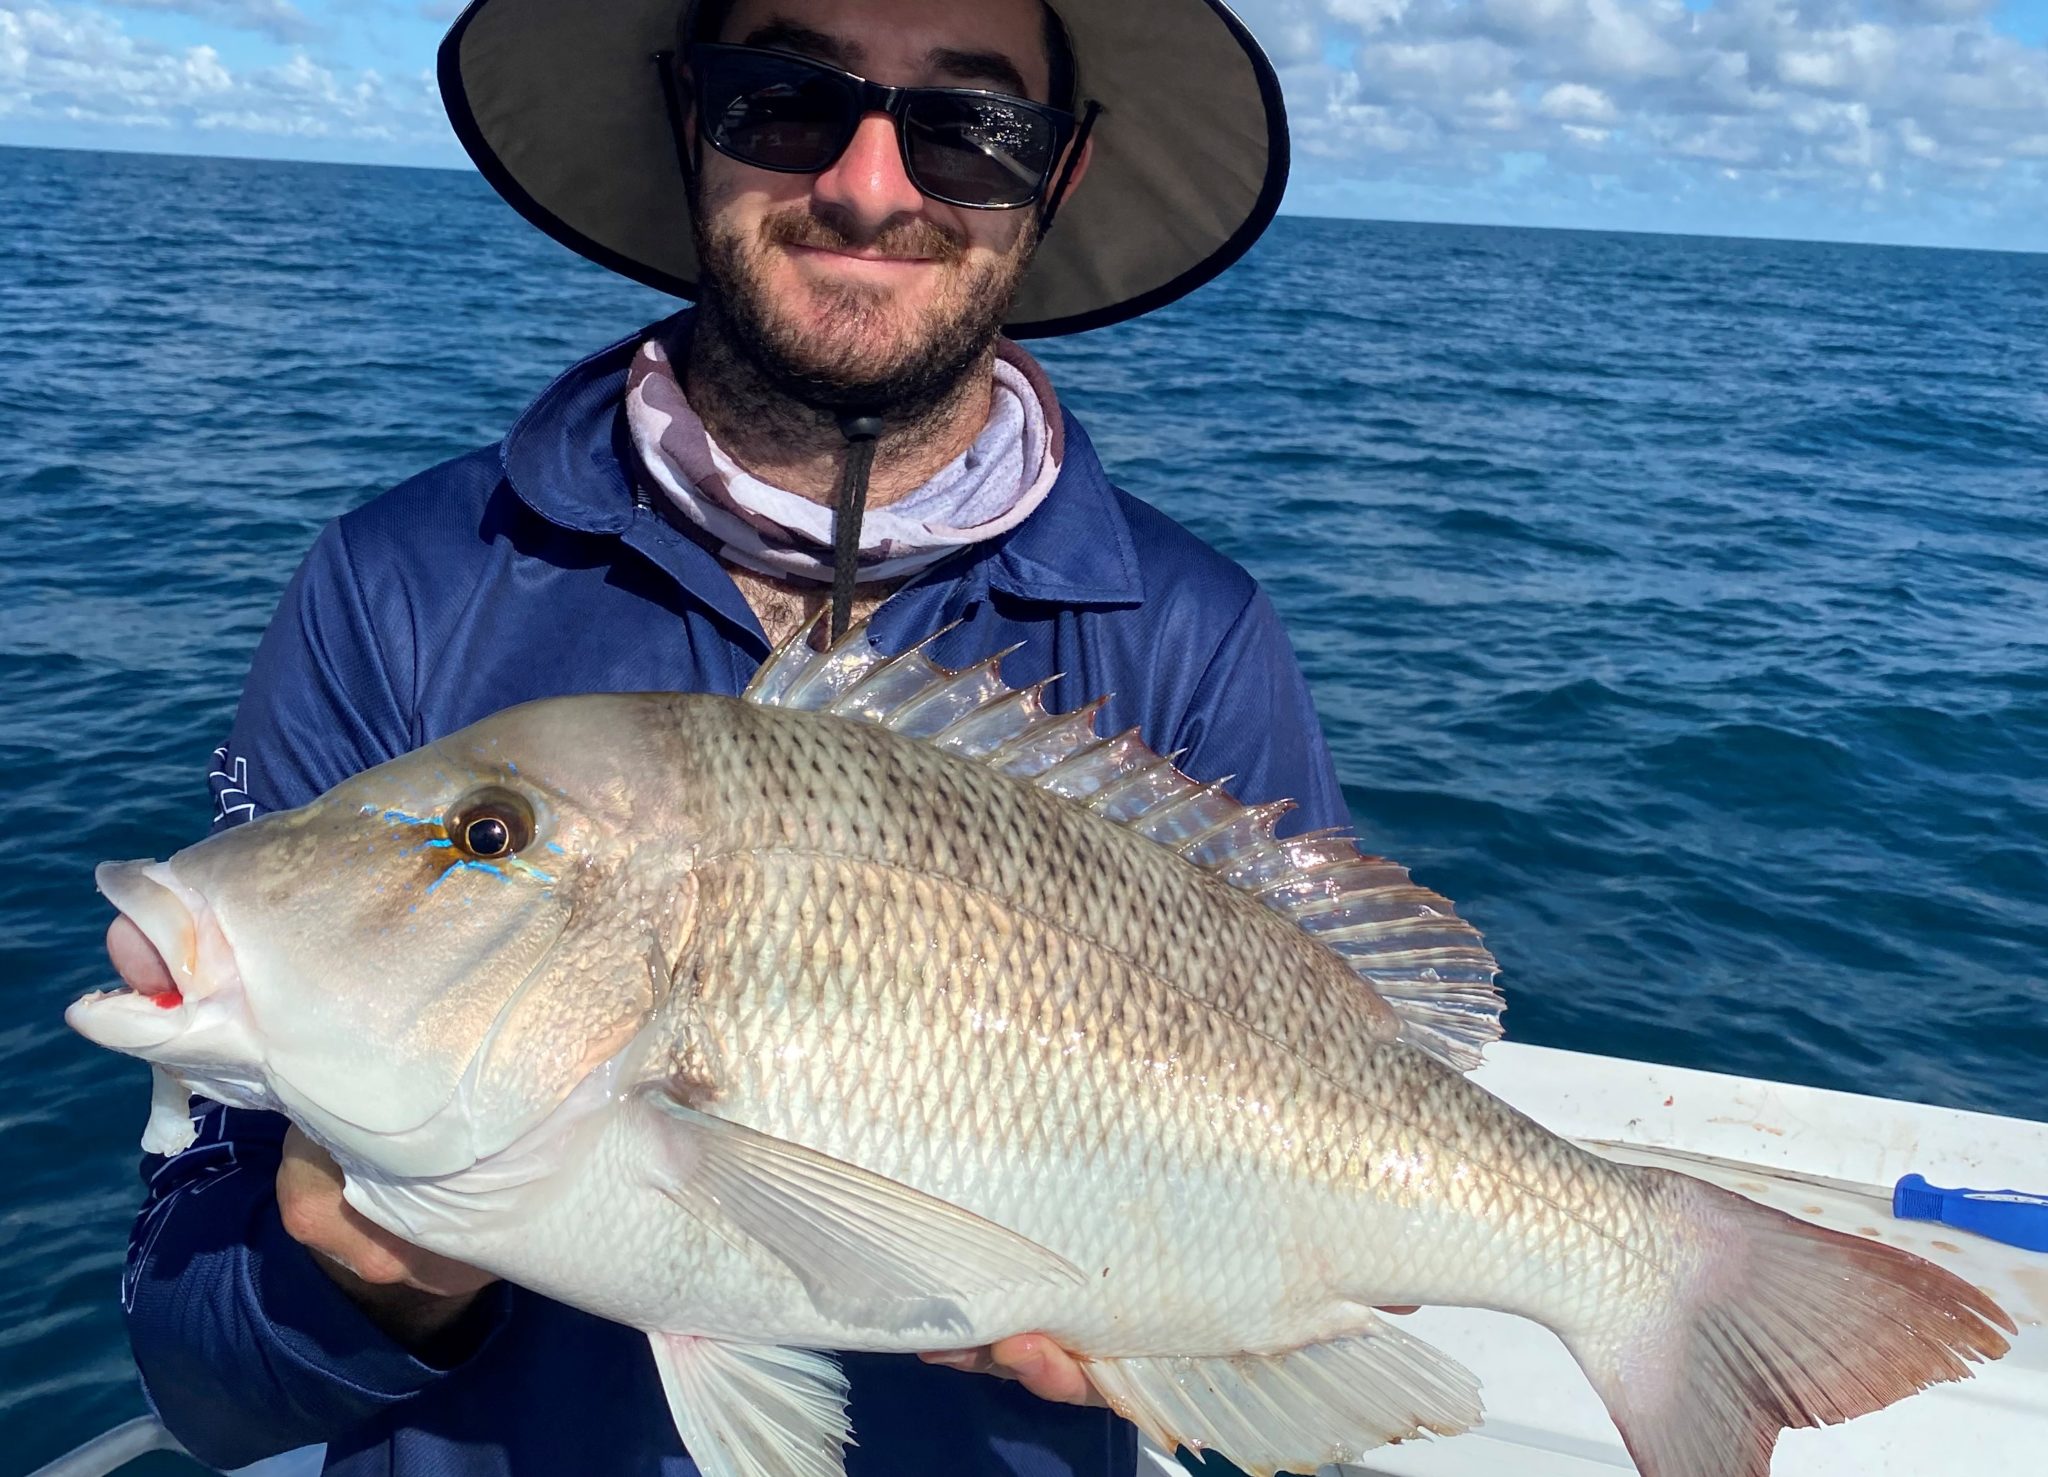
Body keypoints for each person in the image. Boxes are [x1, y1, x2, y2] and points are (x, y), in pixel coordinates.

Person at [104, 0, 1343, 1472]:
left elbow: (1326, 1310)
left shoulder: (1197, 638)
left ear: (1054, 177)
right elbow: (205, 1383)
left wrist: (1218, 1337)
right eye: (783, 96)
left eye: (972, 126)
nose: (872, 185)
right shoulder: (397, 591)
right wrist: (367, 1272)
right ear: (690, 118)